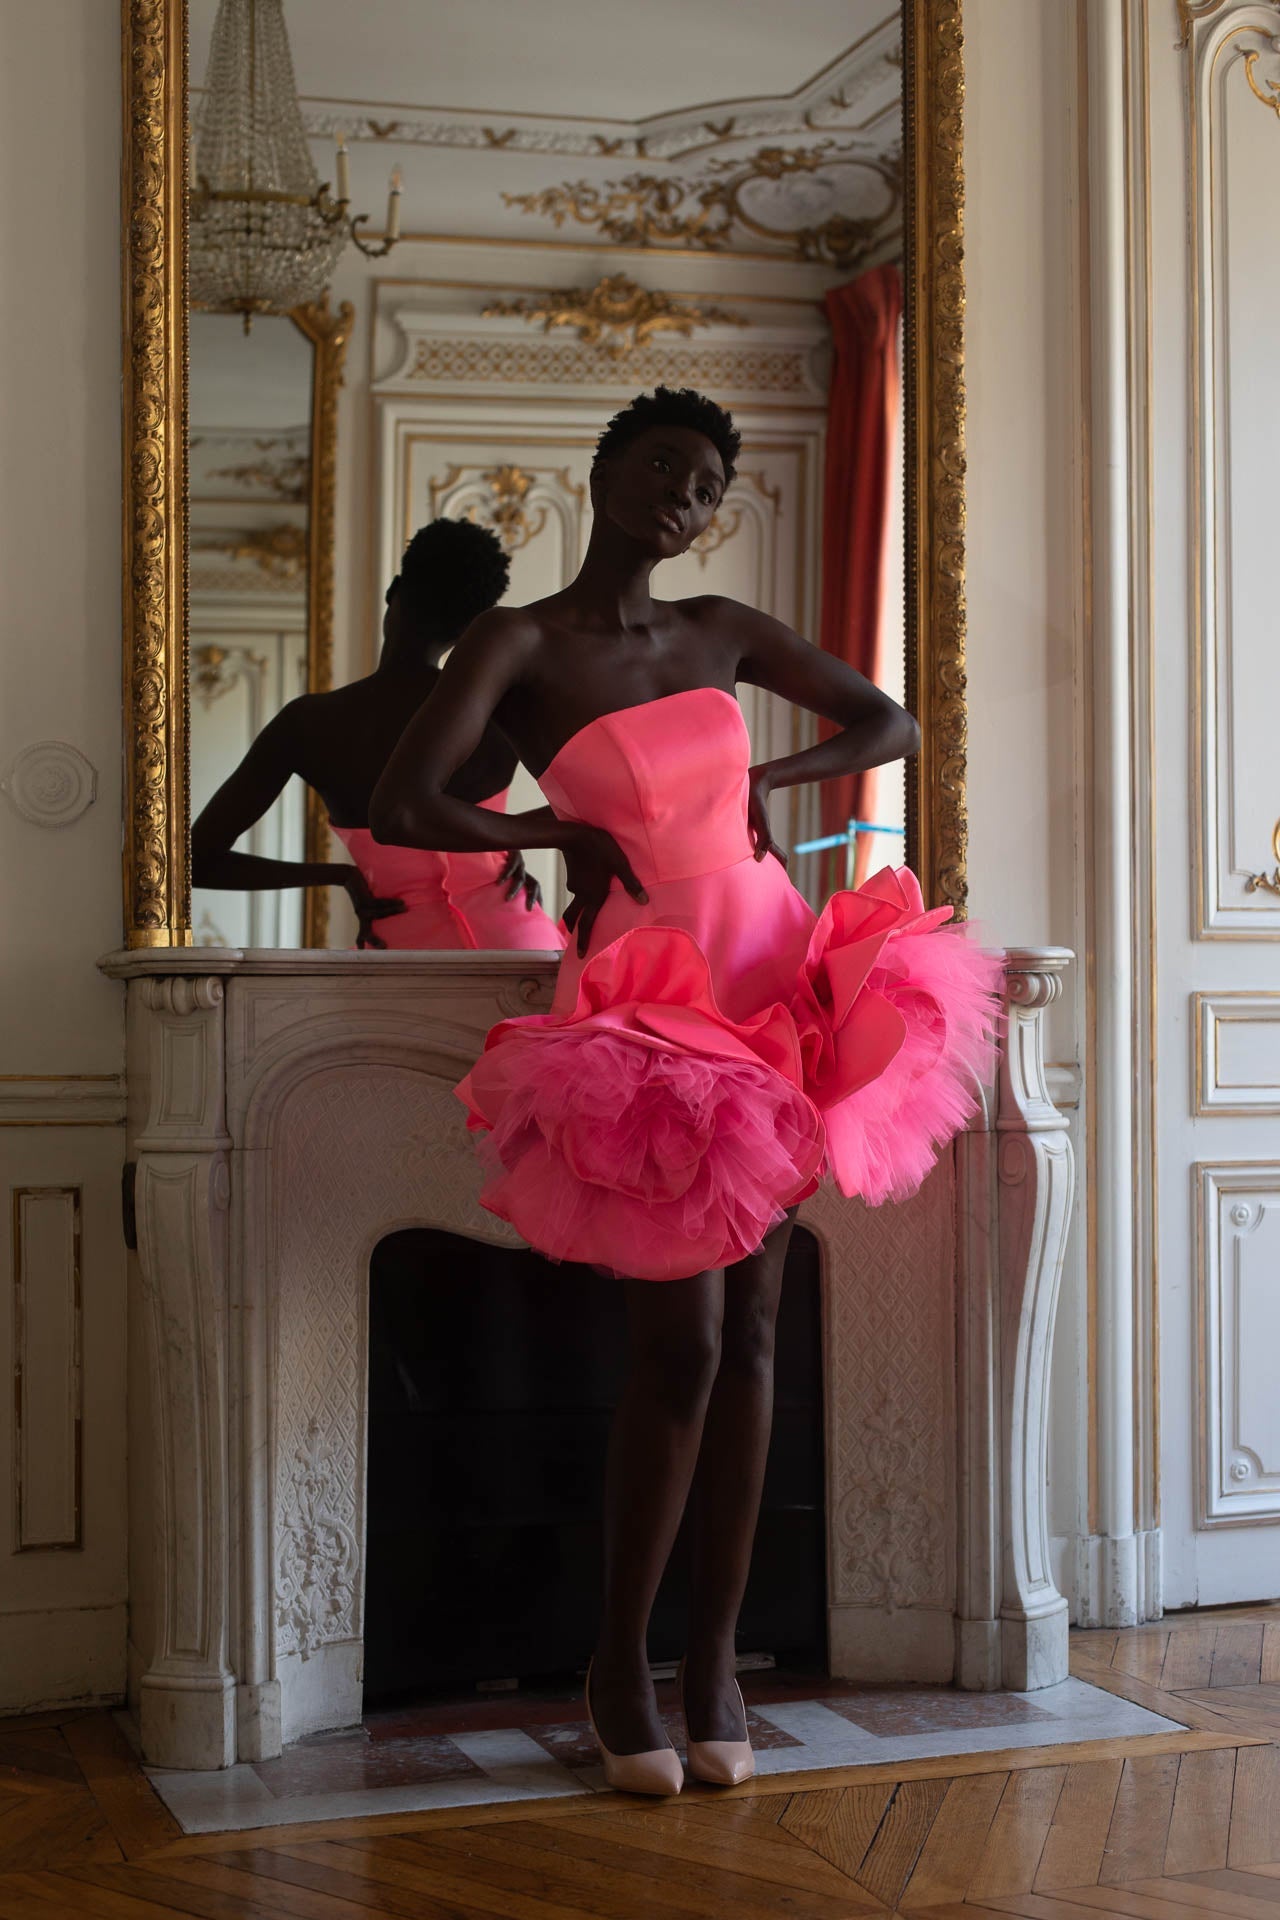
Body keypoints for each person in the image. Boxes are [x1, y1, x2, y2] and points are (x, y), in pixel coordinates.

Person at [370, 387, 1000, 1794]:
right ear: (602, 474)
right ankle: (615, 1666)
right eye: (661, 467)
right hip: (650, 992)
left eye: (707, 481)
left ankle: (712, 1666)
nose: (683, 493)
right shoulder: (520, 640)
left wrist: (776, 769)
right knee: (684, 1349)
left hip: (772, 962)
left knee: (762, 1335)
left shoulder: (720, 628)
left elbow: (890, 723)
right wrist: (551, 828)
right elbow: (409, 804)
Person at [191, 518, 564, 951]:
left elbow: (198, 862)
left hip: (400, 953)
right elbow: (593, 806)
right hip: (519, 940)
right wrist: (500, 836)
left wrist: (340, 876)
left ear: (393, 592)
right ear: (470, 629)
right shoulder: (500, 707)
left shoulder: (307, 723)